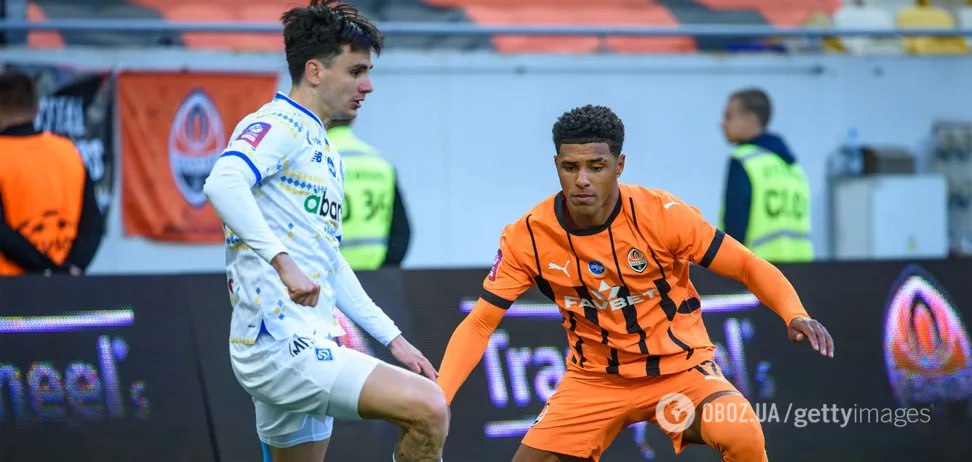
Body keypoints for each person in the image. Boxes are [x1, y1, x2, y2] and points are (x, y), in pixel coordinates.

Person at [437, 105, 834, 462]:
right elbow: (480, 323)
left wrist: (793, 313)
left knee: (741, 431)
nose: (582, 180)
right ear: (556, 164)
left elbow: (747, 265)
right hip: (594, 380)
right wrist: (439, 399)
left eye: (596, 166)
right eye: (570, 167)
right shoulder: (528, 236)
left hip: (680, 369)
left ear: (620, 165)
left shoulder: (662, 215)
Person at [202, 2, 448, 461]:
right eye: (356, 71)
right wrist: (283, 263)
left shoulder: (326, 151)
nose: (367, 85)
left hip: (304, 338)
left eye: (368, 72)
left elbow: (329, 262)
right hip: (279, 346)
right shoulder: (277, 124)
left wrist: (393, 339)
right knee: (429, 408)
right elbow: (222, 182)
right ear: (314, 71)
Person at [0, 69, 103, 276]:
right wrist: (70, 267)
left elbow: (3, 234)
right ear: (37, 108)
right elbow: (93, 224)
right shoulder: (67, 150)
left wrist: (46, 267)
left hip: (9, 287)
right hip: (64, 286)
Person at [719, 88, 813, 262]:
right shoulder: (793, 168)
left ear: (750, 119)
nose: (722, 124)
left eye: (728, 116)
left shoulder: (744, 161)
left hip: (758, 269)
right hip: (802, 268)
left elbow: (735, 224)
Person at [327, 117, 411, 270]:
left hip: (326, 275)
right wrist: (385, 271)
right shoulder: (380, 162)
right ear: (352, 118)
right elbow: (401, 232)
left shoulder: (310, 161)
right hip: (376, 275)